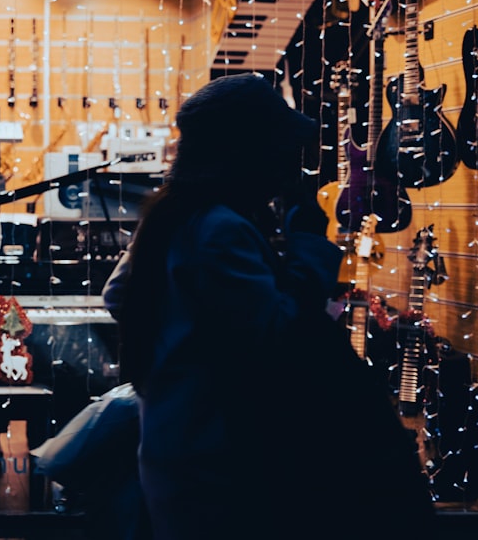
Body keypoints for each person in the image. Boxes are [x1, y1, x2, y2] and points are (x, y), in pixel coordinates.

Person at [104, 73, 436, 538]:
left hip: (179, 441)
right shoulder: (220, 227)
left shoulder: (174, 215)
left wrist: (177, 346)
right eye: (281, 147)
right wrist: (308, 247)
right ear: (246, 152)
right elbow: (280, 334)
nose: (290, 162)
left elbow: (119, 296)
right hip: (221, 459)